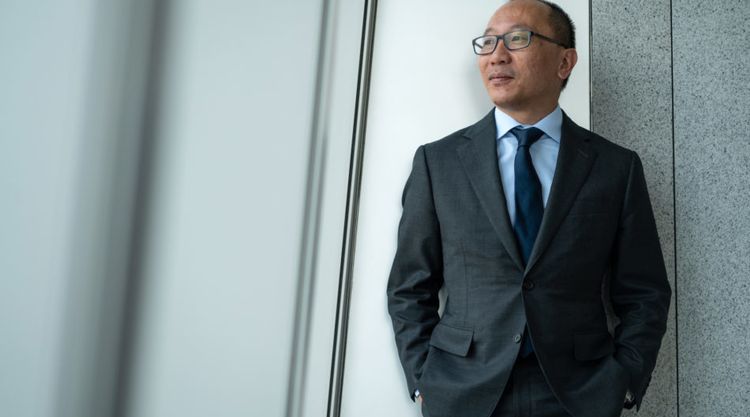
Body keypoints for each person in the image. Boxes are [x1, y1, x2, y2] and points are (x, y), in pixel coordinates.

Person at [385, 1, 672, 416]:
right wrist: (423, 380)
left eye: (517, 39)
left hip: (579, 394)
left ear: (564, 62)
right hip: (463, 392)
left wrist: (624, 381)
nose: (497, 55)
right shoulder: (438, 162)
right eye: (488, 42)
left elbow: (645, 291)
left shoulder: (615, 167)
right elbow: (409, 287)